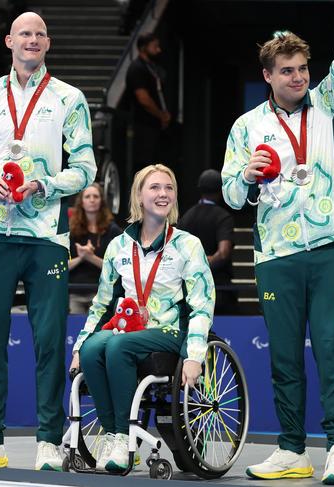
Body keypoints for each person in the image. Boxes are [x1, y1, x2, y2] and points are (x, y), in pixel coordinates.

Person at [221, 1, 334, 483]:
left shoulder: (328, 101)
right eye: (287, 70)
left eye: (302, 68)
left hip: (331, 248)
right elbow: (231, 196)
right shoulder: (247, 127)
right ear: (267, 75)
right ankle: (292, 449)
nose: (298, 77)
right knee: (285, 355)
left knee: (332, 349)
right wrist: (245, 177)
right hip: (275, 256)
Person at [0, 12, 96, 470]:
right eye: (24, 33)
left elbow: (85, 168)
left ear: (48, 43)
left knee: (48, 342)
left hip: (45, 234)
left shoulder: (70, 97)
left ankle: (49, 440)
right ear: (9, 41)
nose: (32, 40)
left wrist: (44, 184)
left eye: (40, 34)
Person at [69, 164, 214, 472]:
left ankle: (122, 435)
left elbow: (203, 304)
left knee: (119, 347)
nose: (163, 194)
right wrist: (80, 346)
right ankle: (114, 436)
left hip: (170, 331)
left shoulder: (188, 244)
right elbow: (101, 304)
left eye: (169, 188)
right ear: (138, 195)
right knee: (96, 347)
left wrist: (194, 355)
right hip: (128, 330)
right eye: (155, 187)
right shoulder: (119, 245)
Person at [178, 168, 237, 315]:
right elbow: (223, 253)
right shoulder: (223, 217)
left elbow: (177, 251)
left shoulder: (186, 217)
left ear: (200, 189)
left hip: (190, 288)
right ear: (220, 190)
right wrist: (203, 265)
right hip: (218, 290)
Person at [68, 183, 122, 314]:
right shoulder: (71, 231)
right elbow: (63, 266)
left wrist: (90, 257)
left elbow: (117, 268)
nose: (92, 200)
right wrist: (81, 257)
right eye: (87, 196)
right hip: (75, 292)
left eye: (96, 196)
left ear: (101, 201)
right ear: (81, 202)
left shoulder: (113, 231)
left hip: (102, 294)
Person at [124, 33, 170, 173]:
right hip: (142, 125)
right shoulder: (137, 68)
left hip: (154, 125)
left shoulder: (153, 67)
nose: (158, 50)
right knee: (145, 165)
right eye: (154, 46)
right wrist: (161, 115)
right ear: (143, 47)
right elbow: (143, 98)